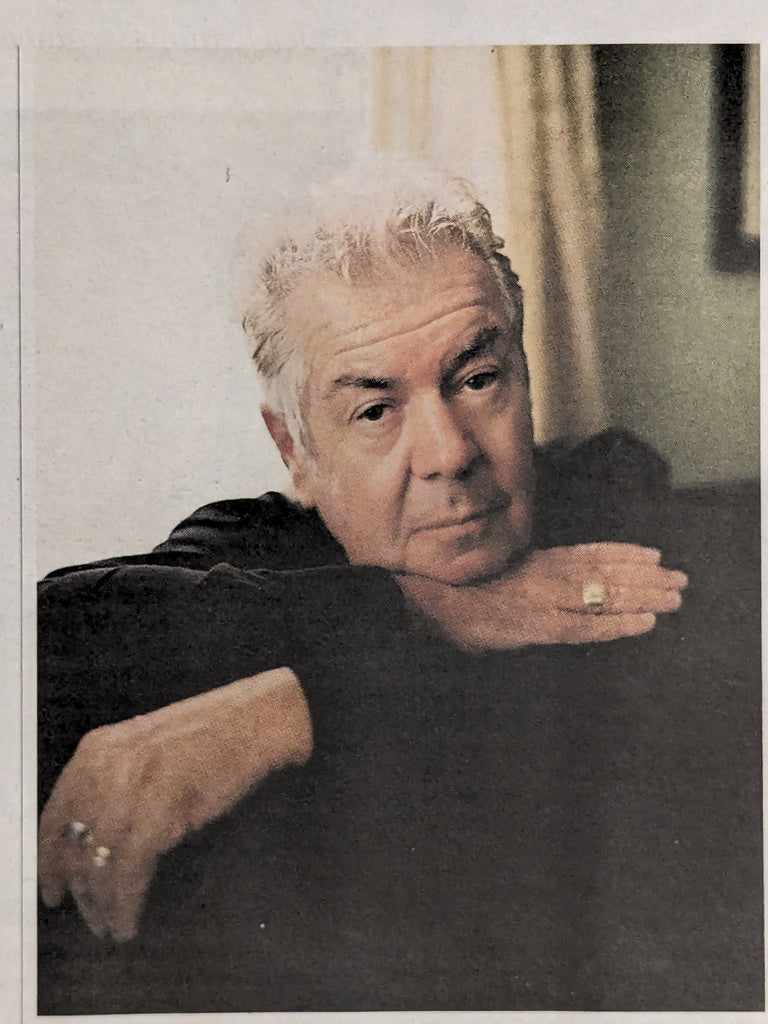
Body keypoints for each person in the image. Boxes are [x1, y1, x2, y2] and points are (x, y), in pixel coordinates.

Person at [37, 165, 762, 1013]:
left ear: (525, 375)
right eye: (376, 411)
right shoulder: (264, 542)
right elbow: (50, 631)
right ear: (296, 451)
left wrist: (301, 704)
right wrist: (432, 611)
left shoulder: (610, 503)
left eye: (478, 379)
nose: (450, 452)